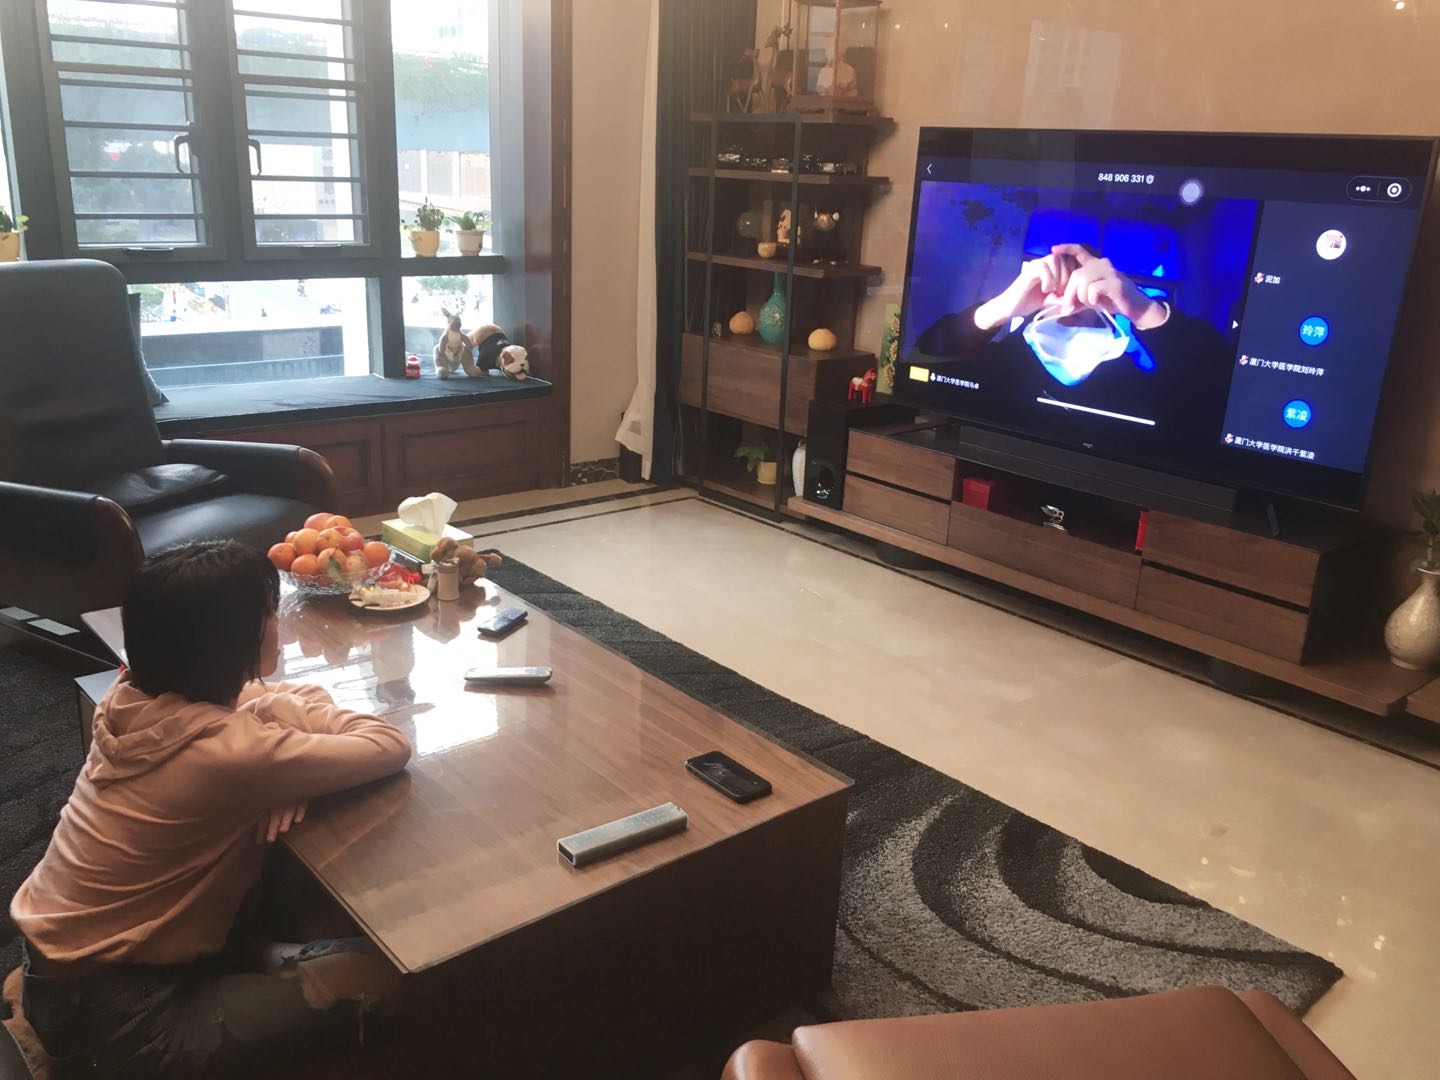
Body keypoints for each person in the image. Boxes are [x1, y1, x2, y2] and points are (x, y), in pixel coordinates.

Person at [10, 540, 413, 1079]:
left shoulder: (127, 698)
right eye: (269, 615)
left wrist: (284, 769)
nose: (278, 624)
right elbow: (387, 745)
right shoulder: (233, 755)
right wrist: (283, 728)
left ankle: (257, 963)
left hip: (56, 972)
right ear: (233, 643)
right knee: (389, 980)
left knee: (294, 919)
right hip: (124, 1017)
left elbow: (236, 717)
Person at [914, 243, 1233, 443]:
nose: (1068, 304)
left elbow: (1219, 402)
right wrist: (999, 308)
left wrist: (1144, 310)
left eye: (1083, 293)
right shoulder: (1000, 365)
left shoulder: (1135, 386)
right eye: (1056, 293)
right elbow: (920, 372)